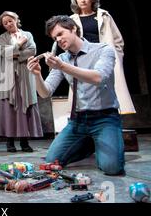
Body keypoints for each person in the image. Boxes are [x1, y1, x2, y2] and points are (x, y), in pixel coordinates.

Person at [27, 15, 125, 175]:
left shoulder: (103, 50)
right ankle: (89, 144)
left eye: (60, 34)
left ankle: (102, 143)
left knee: (112, 168)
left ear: (73, 29)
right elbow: (45, 92)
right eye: (54, 38)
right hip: (78, 122)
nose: (57, 40)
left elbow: (98, 78)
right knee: (51, 162)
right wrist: (37, 75)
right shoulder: (62, 59)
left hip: (105, 118)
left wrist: (63, 67)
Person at [69, 0, 135, 114]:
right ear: (76, 1)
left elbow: (118, 39)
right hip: (83, 56)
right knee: (86, 88)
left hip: (103, 55)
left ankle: (111, 117)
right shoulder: (72, 20)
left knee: (107, 86)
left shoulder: (104, 15)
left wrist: (117, 55)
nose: (83, 0)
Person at [0, 11, 43, 152]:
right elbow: (5, 53)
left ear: (16, 20)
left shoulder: (27, 35)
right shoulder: (3, 37)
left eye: (10, 21)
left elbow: (33, 50)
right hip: (9, 73)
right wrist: (19, 44)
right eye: (5, 23)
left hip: (25, 72)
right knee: (10, 106)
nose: (8, 24)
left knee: (25, 103)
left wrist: (16, 54)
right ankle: (9, 142)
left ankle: (24, 142)